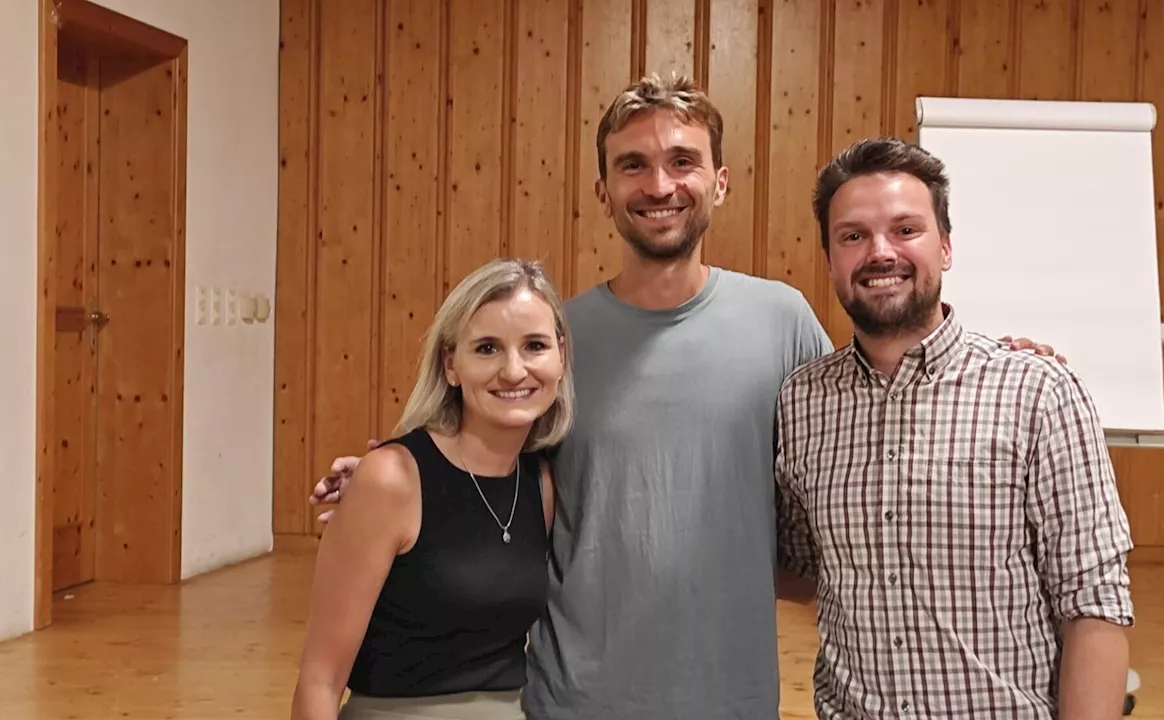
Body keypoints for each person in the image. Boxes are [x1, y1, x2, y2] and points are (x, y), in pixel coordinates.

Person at [310, 75, 1063, 720]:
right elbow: (478, 464)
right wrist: (380, 478)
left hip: (732, 698)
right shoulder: (555, 344)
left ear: (721, 181)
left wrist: (1001, 360)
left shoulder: (783, 321)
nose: (660, 185)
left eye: (682, 161)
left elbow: (872, 422)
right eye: (632, 165)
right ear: (603, 189)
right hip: (574, 700)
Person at [774, 137, 1135, 719]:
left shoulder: (1037, 394)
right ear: (831, 258)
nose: (880, 252)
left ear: (945, 246)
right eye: (853, 235)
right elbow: (806, 567)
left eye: (905, 230)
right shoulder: (802, 402)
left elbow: (1094, 602)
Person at [290, 258, 574, 720]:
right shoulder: (391, 480)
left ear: (560, 356)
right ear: (451, 365)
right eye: (487, 348)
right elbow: (319, 681)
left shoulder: (539, 481)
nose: (514, 370)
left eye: (535, 346)